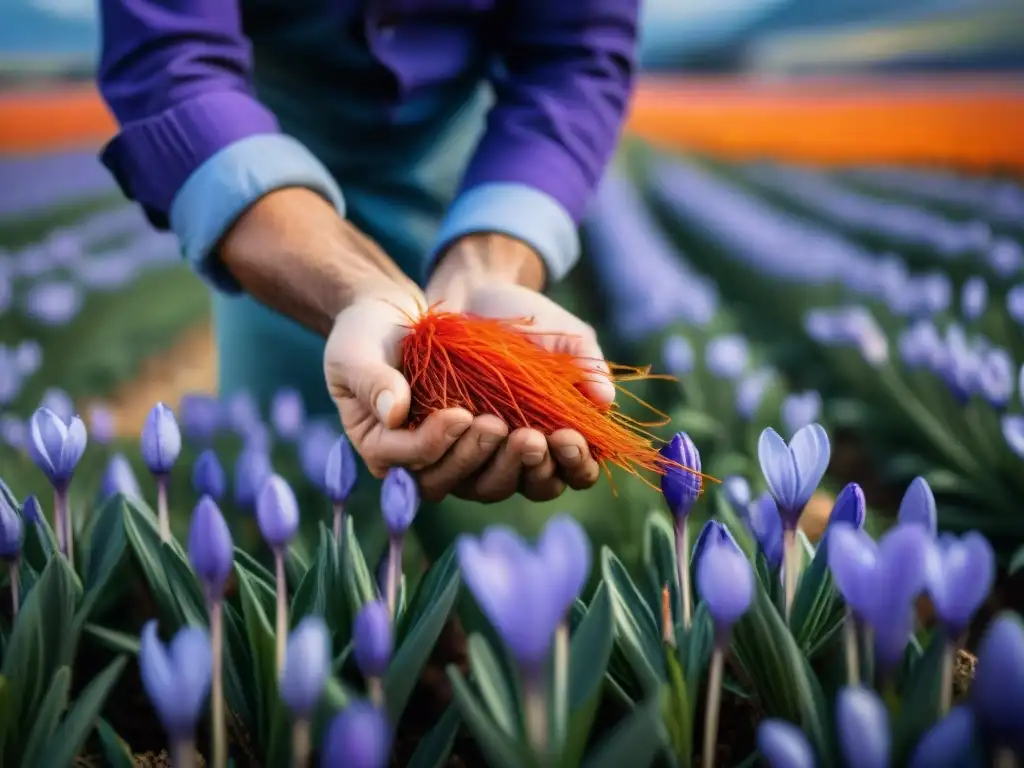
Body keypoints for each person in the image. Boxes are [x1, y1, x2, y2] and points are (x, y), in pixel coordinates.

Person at [96, 0, 640, 508]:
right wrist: (354, 288)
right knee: (287, 486)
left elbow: (577, 52)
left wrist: (489, 260)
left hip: (474, 158)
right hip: (265, 173)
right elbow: (170, 56)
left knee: (488, 512)